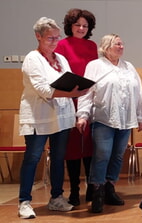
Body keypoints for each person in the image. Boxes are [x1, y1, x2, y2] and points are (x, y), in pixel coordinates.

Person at [17, 17, 88, 219]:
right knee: (32, 157)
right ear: (38, 36)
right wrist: (71, 94)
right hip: (39, 115)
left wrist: (79, 87)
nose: (54, 42)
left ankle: (56, 198)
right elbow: (42, 89)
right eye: (50, 38)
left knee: (58, 157)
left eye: (57, 38)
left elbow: (67, 79)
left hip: (61, 115)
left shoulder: (61, 59)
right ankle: (24, 201)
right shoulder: (33, 58)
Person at [77, 34, 142, 213]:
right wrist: (83, 114)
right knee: (102, 154)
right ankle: (97, 191)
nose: (121, 46)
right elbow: (87, 91)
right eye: (117, 44)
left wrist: (141, 116)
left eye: (122, 44)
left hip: (125, 119)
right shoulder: (95, 66)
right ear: (107, 46)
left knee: (118, 155)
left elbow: (138, 91)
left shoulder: (128, 66)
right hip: (104, 117)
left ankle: (110, 187)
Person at [54, 8, 98, 206]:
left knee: (90, 145)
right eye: (77, 25)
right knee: (72, 148)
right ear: (70, 26)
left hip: (88, 99)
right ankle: (73, 189)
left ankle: (91, 187)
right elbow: (59, 72)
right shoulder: (62, 45)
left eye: (85, 26)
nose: (81, 28)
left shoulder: (92, 45)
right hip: (68, 99)